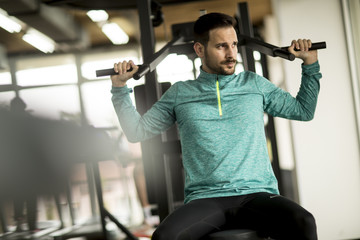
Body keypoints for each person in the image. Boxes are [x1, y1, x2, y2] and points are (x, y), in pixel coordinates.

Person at [110, 12, 321, 240]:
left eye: (233, 45)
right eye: (221, 46)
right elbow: (136, 131)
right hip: (206, 199)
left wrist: (310, 63)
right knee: (164, 236)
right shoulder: (181, 93)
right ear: (200, 49)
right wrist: (120, 89)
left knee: (304, 222)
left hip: (256, 195)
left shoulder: (254, 84)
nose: (232, 54)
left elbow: (303, 111)